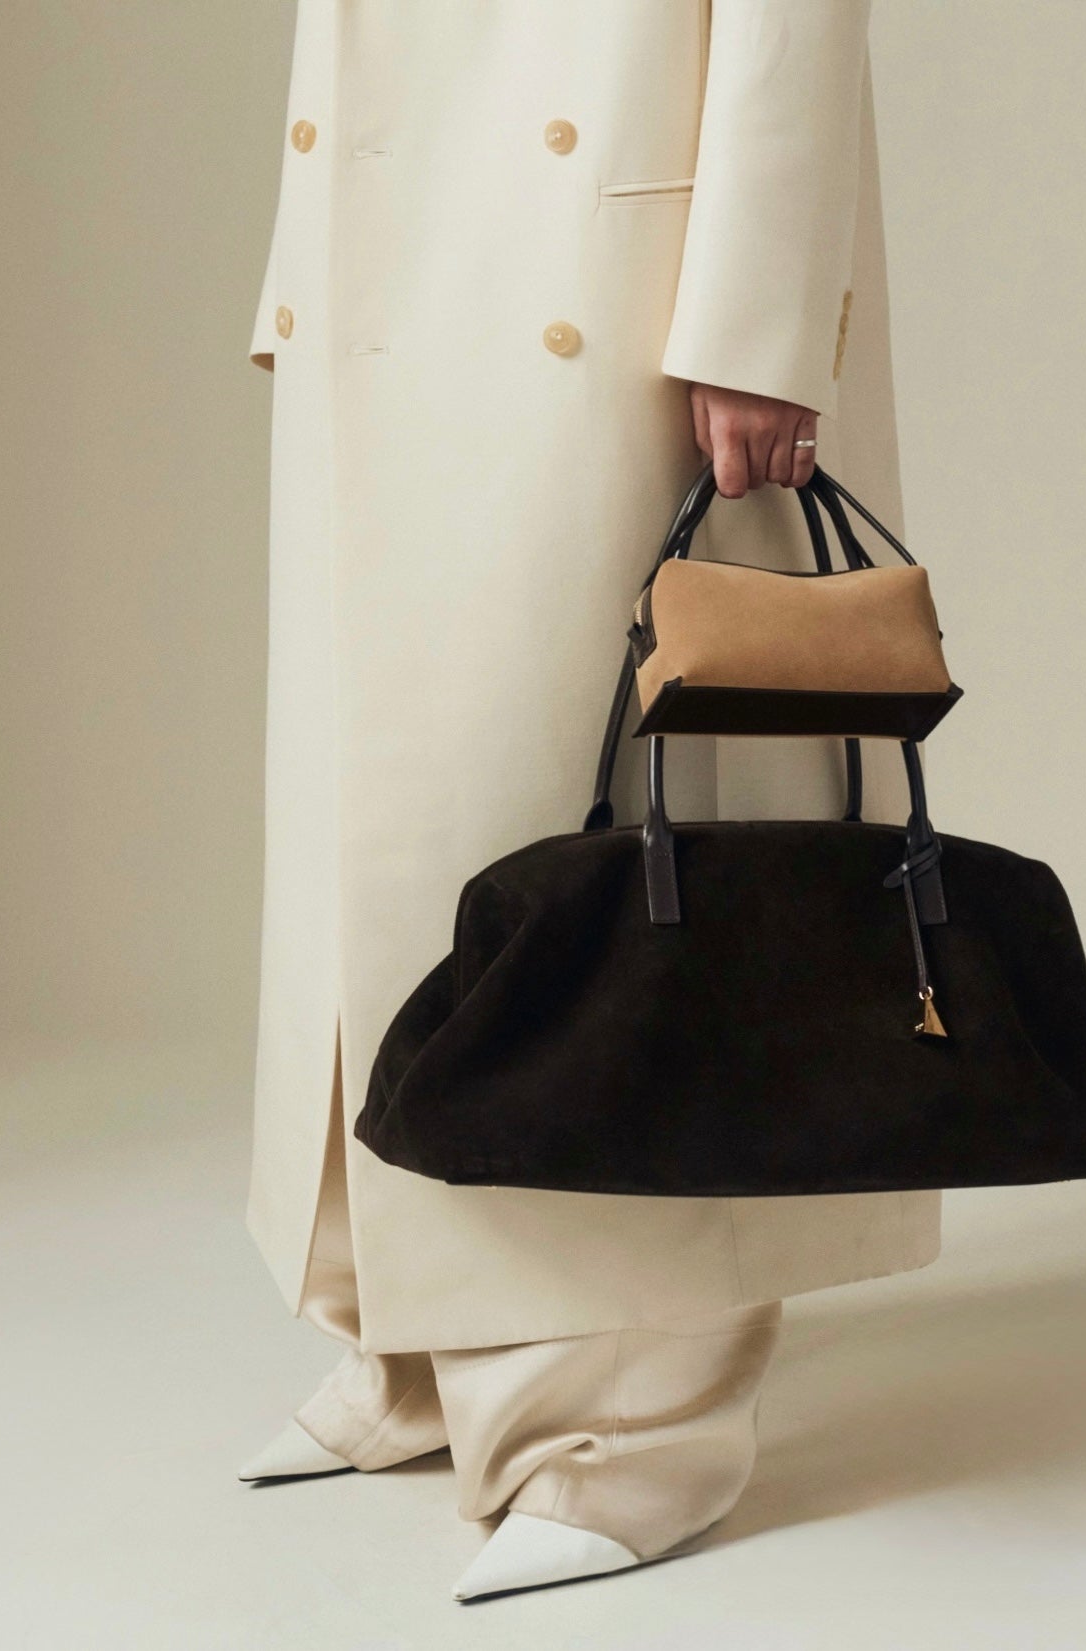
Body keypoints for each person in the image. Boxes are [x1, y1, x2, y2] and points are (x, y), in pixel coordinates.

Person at [237, 0, 934, 1600]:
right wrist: (301, 265)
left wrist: (757, 322)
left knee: (589, 847)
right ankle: (419, 1340)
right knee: (391, 838)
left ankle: (632, 1431)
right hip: (389, 265)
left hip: (605, 284)